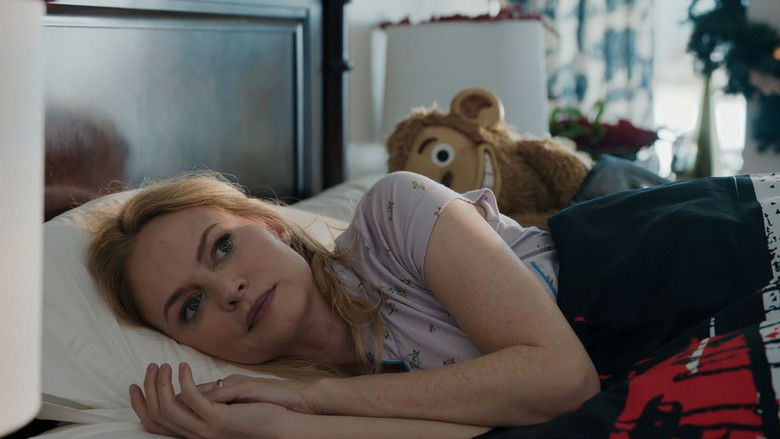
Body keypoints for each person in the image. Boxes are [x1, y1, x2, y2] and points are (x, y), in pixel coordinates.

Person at [87, 170, 780, 438]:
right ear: (187, 344)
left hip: (709, 258)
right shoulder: (341, 394)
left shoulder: (393, 213)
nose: (228, 289)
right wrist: (276, 425)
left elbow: (560, 379)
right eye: (189, 307)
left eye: (221, 247)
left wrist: (310, 400)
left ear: (271, 226)